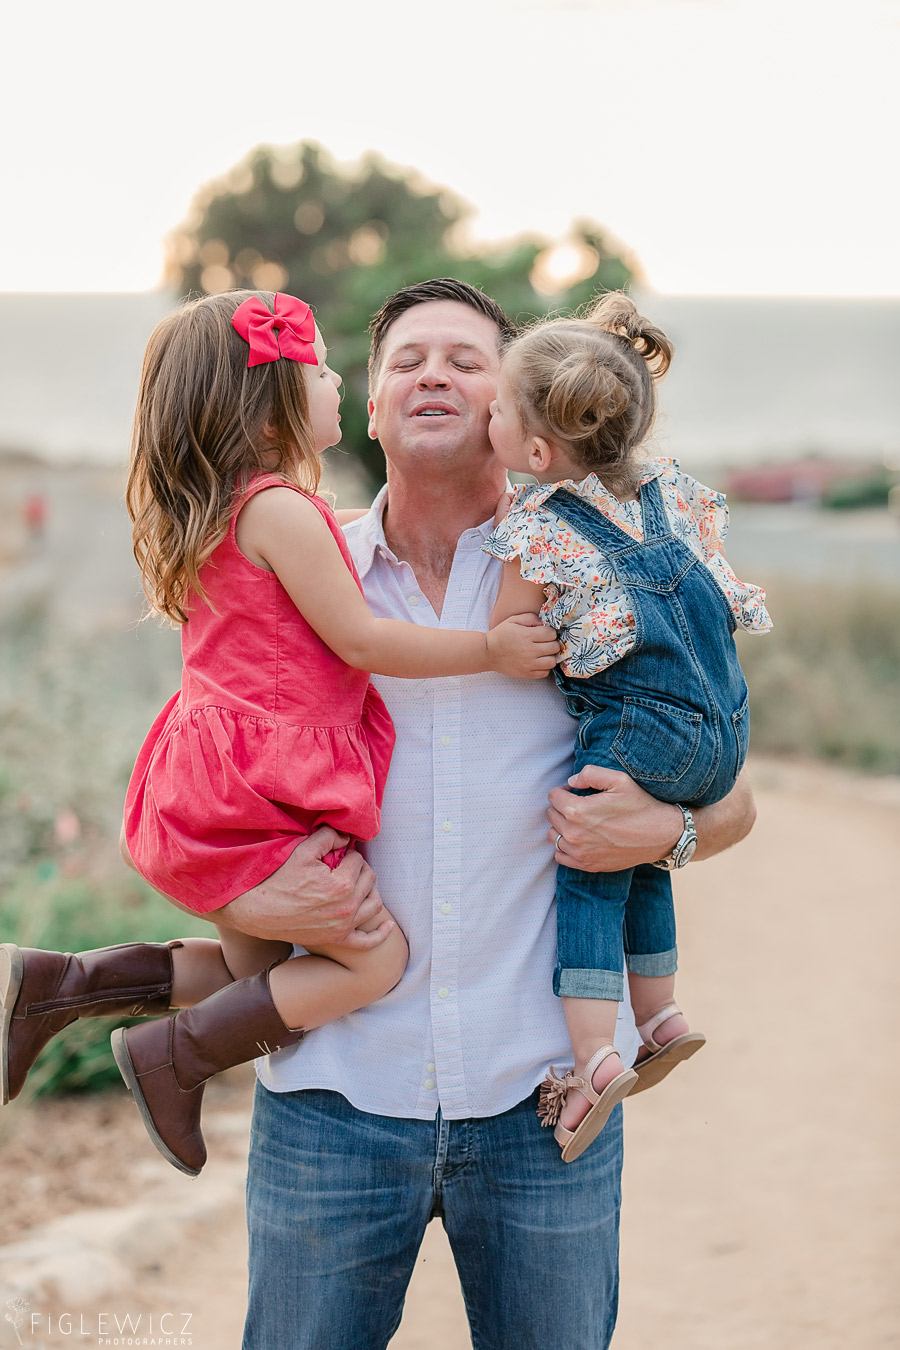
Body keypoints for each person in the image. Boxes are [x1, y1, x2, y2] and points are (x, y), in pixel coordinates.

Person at [233, 278, 758, 1350]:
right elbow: (217, 783)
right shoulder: (297, 576)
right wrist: (246, 896)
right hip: (331, 1099)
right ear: (369, 409)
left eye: (466, 361)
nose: (434, 374)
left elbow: (731, 789)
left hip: (545, 1108)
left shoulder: (593, 568)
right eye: (405, 361)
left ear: (514, 410)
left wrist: (664, 834)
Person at [0, 289, 558, 1177]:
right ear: (271, 403)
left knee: (256, 980)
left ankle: (64, 985)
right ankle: (173, 1055)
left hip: (212, 786)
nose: (337, 382)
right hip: (257, 796)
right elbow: (363, 639)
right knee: (373, 962)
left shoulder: (222, 510)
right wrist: (490, 647)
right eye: (324, 369)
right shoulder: (287, 511)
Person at [483, 292, 771, 1162]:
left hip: (641, 726)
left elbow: (520, 640)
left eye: (495, 405)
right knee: (637, 851)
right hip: (722, 727)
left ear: (536, 450)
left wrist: (502, 645)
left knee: (587, 861)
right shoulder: (668, 492)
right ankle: (663, 1014)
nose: (486, 414)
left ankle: (591, 1059)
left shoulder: (538, 526)